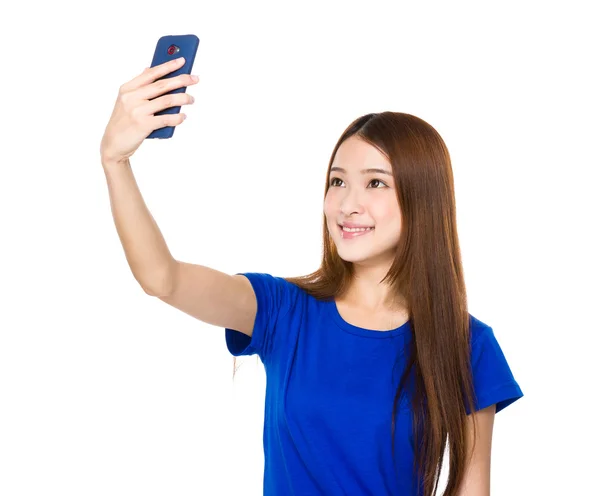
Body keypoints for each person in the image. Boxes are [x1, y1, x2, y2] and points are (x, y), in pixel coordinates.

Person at [100, 58, 524, 496]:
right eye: (337, 182)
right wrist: (116, 162)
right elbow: (162, 278)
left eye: (375, 184)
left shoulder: (467, 345)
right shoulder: (284, 311)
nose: (347, 204)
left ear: (424, 199)